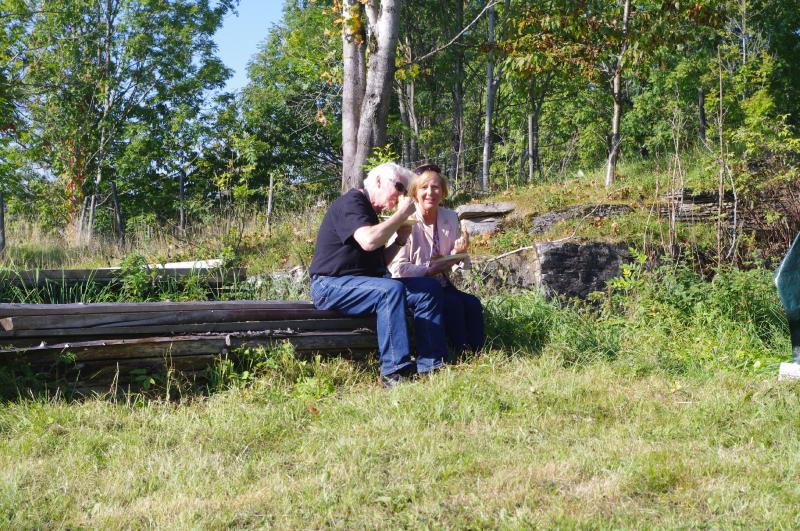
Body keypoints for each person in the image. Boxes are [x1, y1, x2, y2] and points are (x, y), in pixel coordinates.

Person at [309, 162, 449, 387]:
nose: (402, 195)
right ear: (378, 181)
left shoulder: (371, 213)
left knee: (428, 289)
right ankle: (395, 371)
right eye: (399, 188)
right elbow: (369, 241)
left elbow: (380, 261)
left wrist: (400, 239)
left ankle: (431, 364)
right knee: (389, 290)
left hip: (362, 283)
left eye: (405, 191)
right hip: (329, 284)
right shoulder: (352, 202)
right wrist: (401, 215)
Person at [389, 164, 484, 357]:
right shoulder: (405, 219)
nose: (430, 193)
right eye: (424, 187)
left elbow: (451, 261)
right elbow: (397, 268)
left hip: (441, 283)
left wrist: (459, 252)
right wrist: (429, 270)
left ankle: (479, 351)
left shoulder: (450, 217)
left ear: (443, 191)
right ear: (415, 192)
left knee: (472, 303)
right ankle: (461, 353)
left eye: (435, 187)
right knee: (453, 303)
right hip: (413, 286)